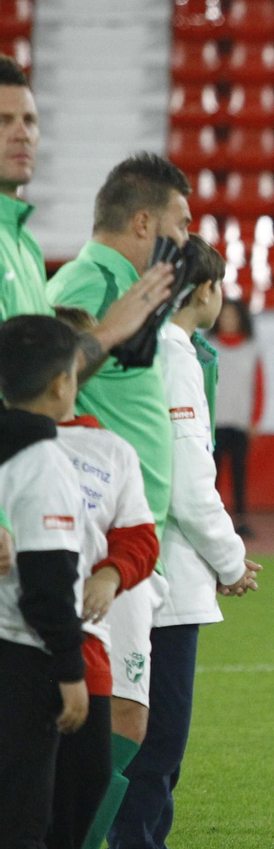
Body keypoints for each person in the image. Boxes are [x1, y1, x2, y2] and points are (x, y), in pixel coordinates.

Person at [105, 234, 259, 849]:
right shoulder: (174, 356)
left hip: (153, 566)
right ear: (205, 292)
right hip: (165, 570)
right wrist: (232, 558)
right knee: (159, 735)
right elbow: (192, 477)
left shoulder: (160, 351)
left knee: (156, 734)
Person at [0, 60, 173, 580]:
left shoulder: (24, 247)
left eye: (29, 120)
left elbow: (33, 385)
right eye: (4, 120)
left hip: (28, 506)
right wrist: (107, 332)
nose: (21, 133)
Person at [43, 308, 161, 849]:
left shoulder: (109, 451)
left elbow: (140, 536)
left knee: (75, 804)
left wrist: (113, 573)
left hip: (84, 655)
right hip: (19, 649)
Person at [0, 314, 89, 849]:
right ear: (61, 384)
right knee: (20, 827)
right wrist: (70, 669)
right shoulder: (45, 465)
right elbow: (47, 584)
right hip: (23, 661)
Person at [209, 300, 258, 538]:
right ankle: (210, 519)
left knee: (240, 473)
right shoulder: (208, 347)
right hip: (214, 422)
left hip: (239, 421)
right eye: (224, 316)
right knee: (211, 473)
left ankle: (240, 519)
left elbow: (258, 386)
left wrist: (255, 418)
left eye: (232, 316)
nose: (228, 321)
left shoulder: (251, 348)